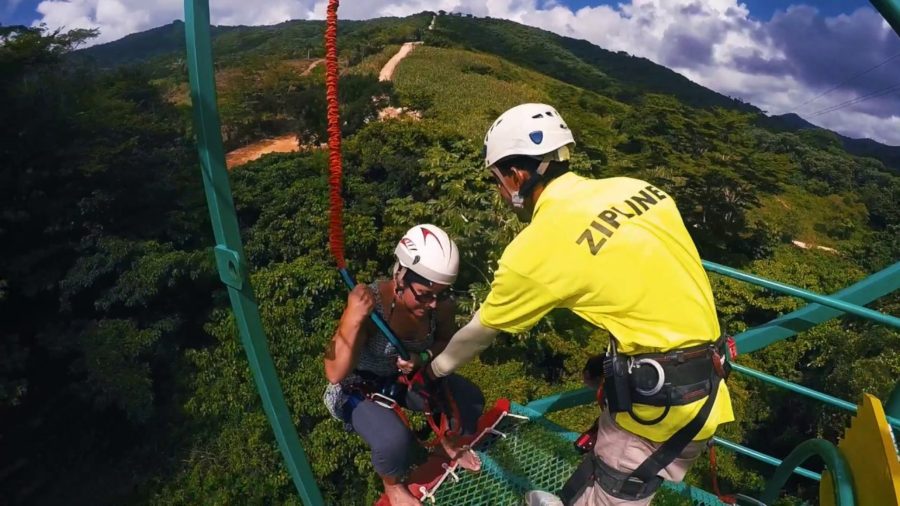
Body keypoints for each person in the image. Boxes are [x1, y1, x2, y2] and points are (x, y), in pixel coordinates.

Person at [423, 104, 734, 505]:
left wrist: (432, 371)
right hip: (707, 380)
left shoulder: (534, 250)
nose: (500, 192)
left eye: (498, 180)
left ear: (518, 175)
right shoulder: (637, 188)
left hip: (661, 412)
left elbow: (479, 333)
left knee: (616, 489)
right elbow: (650, 282)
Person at [323, 224, 485, 506]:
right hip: (359, 387)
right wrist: (352, 318)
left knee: (469, 399)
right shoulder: (372, 307)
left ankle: (448, 445)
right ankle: (393, 487)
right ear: (400, 275)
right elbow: (335, 372)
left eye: (440, 294)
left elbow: (447, 341)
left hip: (407, 380)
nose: (433, 303)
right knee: (393, 441)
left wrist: (421, 358)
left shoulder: (441, 306)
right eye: (424, 294)